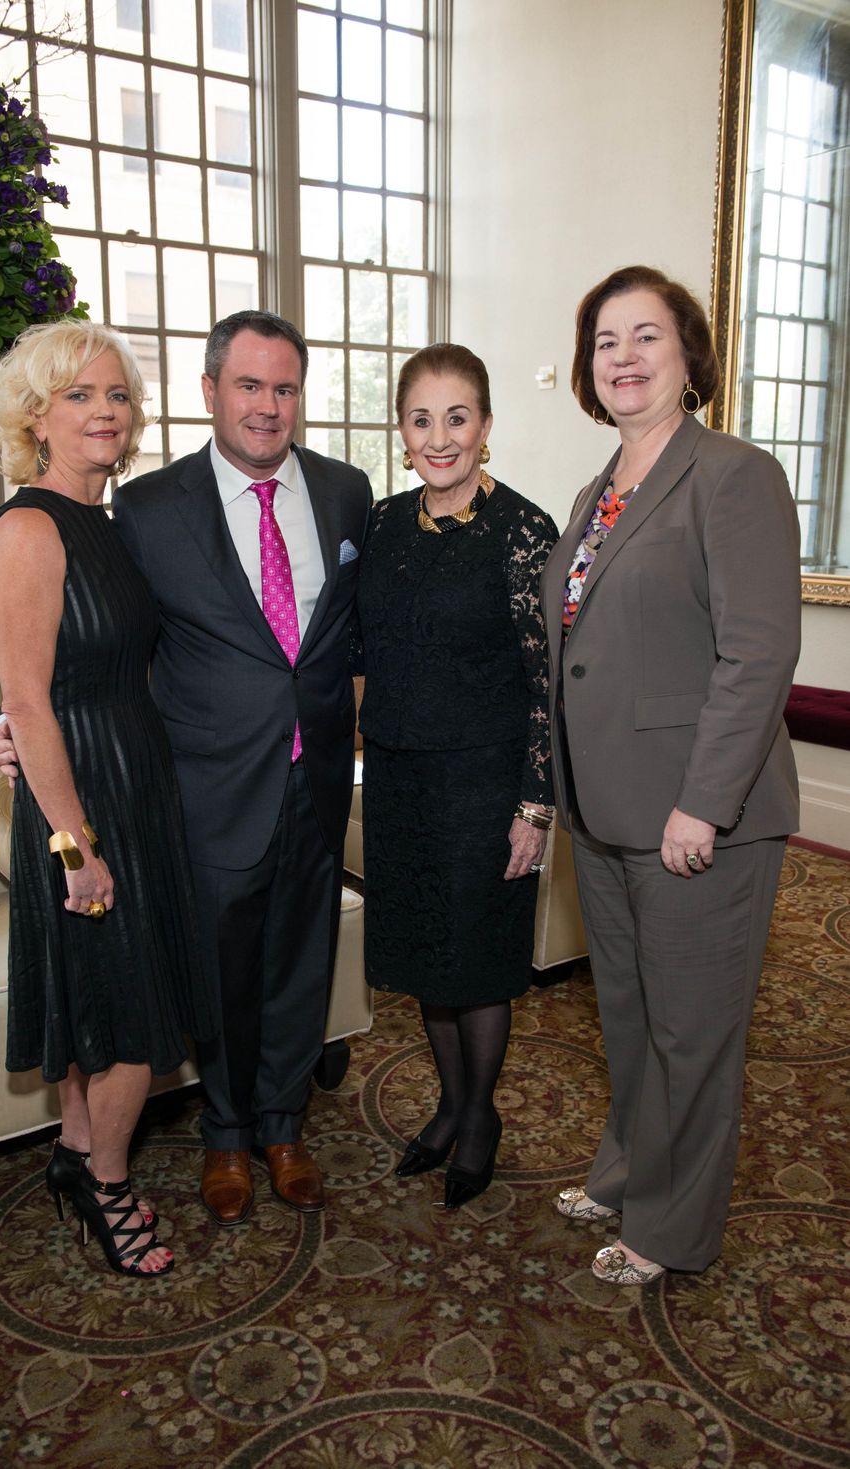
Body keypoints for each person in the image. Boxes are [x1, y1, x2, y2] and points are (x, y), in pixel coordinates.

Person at [0, 310, 373, 1225]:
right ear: (211, 392)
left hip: (315, 778)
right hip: (202, 785)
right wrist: (11, 724)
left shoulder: (348, 493)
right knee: (221, 970)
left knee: (301, 962)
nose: (267, 406)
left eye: (284, 388)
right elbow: (84, 643)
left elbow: (356, 637)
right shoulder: (147, 509)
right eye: (248, 385)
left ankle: (285, 1124)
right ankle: (229, 1135)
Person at [541, 265, 801, 1284]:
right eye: (605, 340)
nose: (623, 357)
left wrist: (703, 800)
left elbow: (756, 652)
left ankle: (672, 1228)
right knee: (629, 1015)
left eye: (645, 336)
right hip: (603, 809)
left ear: (687, 355)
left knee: (692, 1034)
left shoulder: (732, 475)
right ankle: (624, 1167)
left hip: (700, 819)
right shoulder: (597, 489)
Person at [0, 319, 216, 1278]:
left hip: (134, 777)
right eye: (80, 395)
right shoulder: (30, 526)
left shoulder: (106, 524)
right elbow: (31, 699)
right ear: (36, 416)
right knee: (130, 1012)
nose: (105, 412)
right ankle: (110, 1185)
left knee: (101, 994)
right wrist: (74, 844)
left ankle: (78, 1152)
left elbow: (95, 670)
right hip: (83, 802)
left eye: (117, 394)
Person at [356, 343, 558, 1209]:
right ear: (401, 433)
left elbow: (549, 679)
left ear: (485, 426)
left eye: (458, 416)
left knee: (475, 963)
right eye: (421, 418)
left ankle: (479, 1117)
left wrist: (536, 803)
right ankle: (448, 1105)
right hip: (401, 781)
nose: (441, 437)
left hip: (486, 788)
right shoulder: (382, 525)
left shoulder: (524, 532)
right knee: (427, 961)